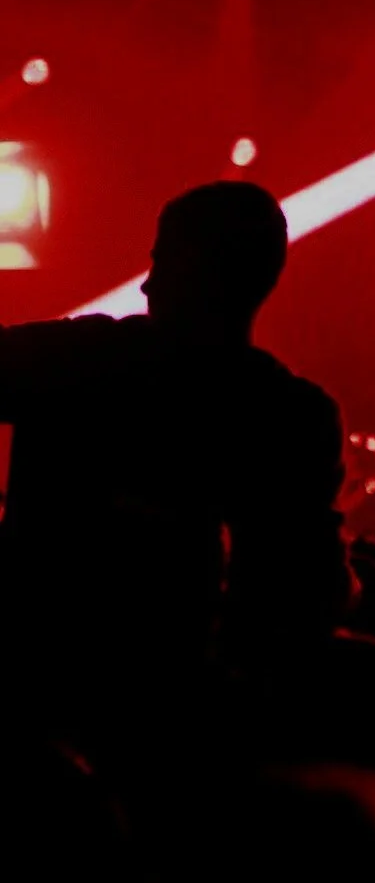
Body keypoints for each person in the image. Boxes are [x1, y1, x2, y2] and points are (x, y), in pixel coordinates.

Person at [0, 181, 345, 749]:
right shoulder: (291, 415)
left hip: (36, 701)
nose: (146, 281)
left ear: (192, 268)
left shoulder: (75, 362)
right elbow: (306, 590)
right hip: (194, 730)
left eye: (159, 259)